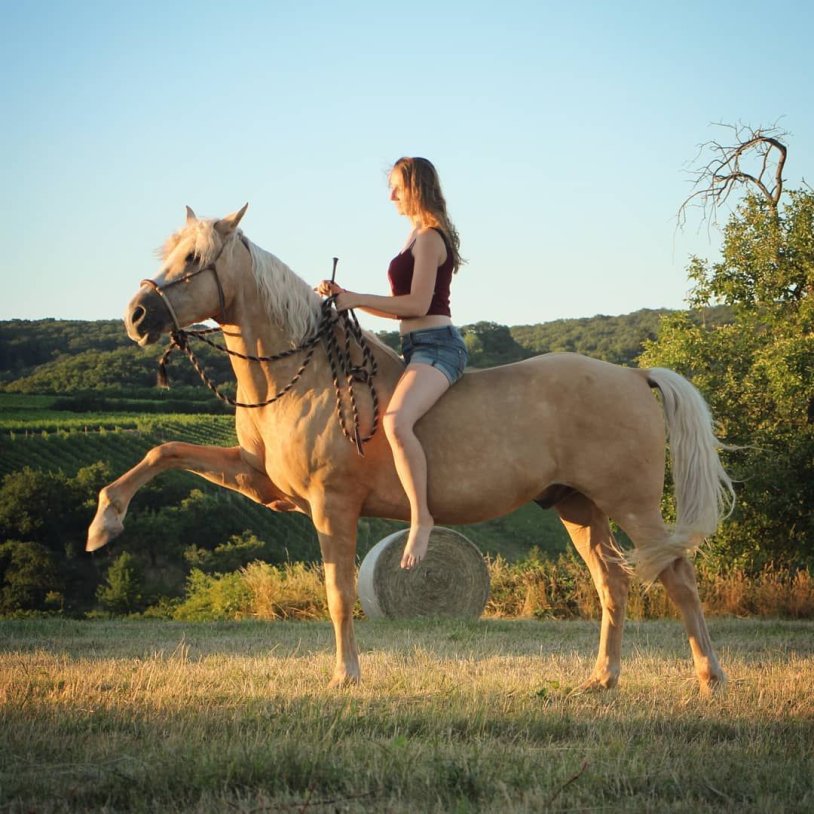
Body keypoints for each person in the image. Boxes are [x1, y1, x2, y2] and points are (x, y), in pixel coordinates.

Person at [317, 156, 468, 569]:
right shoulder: (413, 236)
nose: (391, 196)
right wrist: (347, 298)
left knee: (397, 422)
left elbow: (417, 305)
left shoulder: (430, 238)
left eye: (397, 187)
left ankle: (422, 519)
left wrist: (356, 298)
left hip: (439, 347)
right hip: (415, 345)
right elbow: (401, 308)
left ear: (415, 187)